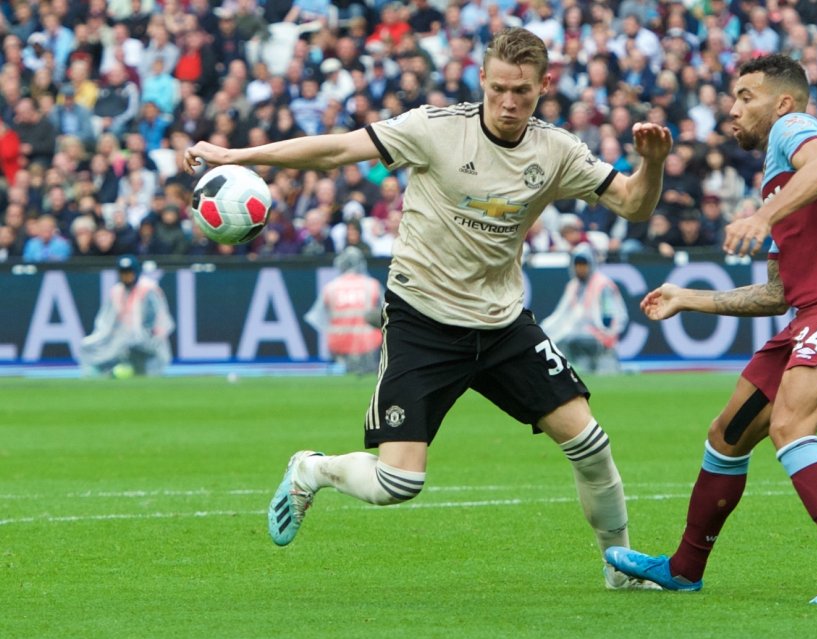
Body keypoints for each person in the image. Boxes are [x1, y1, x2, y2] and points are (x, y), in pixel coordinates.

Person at [183, 28, 671, 589]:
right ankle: (311, 469)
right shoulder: (435, 130)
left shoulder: (555, 150)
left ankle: (620, 569)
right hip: (424, 319)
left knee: (590, 444)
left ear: (545, 86)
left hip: (502, 322)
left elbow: (634, 204)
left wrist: (651, 163)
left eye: (524, 92)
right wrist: (236, 155)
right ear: (482, 80)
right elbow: (339, 149)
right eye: (500, 89)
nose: (510, 103)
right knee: (398, 483)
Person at [604, 55, 817, 604]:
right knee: (726, 436)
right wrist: (690, 299)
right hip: (810, 312)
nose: (731, 109)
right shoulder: (777, 182)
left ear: (781, 102)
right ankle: (685, 567)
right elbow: (778, 293)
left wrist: (762, 219)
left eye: (744, 97)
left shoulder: (794, 129)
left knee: (790, 426)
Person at [79, 255, 176, 378]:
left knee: (146, 373)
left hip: (149, 345)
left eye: (129, 273)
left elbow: (158, 321)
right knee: (88, 346)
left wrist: (146, 337)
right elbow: (105, 321)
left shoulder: (149, 289)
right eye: (123, 273)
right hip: (123, 342)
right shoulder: (117, 291)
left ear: (136, 272)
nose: (127, 277)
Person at [541, 245, 628, 375]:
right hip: (576, 337)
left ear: (591, 265)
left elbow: (613, 315)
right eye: (577, 265)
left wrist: (606, 333)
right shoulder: (573, 286)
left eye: (583, 264)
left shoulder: (602, 285)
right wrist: (543, 330)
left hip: (600, 339)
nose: (580, 269)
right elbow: (560, 314)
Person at [304, 247, 384, 375]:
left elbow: (316, 318)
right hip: (369, 346)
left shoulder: (331, 287)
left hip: (339, 347)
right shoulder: (372, 285)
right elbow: (386, 314)